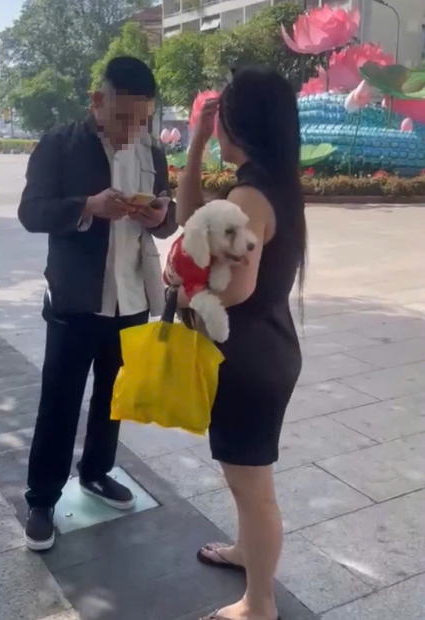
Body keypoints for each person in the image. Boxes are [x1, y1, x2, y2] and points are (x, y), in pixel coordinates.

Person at [18, 56, 177, 551]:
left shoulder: (151, 151)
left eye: (143, 118)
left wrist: (158, 219)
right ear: (97, 102)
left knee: (114, 397)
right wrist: (87, 207)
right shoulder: (60, 144)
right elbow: (30, 212)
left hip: (131, 298)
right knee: (59, 401)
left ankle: (96, 473)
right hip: (75, 298)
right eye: (125, 116)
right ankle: (42, 498)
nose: (135, 128)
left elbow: (169, 217)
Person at [176, 66, 306, 620]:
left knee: (254, 490)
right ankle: (243, 554)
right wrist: (199, 144)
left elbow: (239, 287)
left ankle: (260, 603)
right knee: (246, 482)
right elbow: (190, 225)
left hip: (247, 356)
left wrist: (183, 297)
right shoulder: (270, 184)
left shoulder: (251, 195)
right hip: (266, 347)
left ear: (238, 125)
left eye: (219, 122)